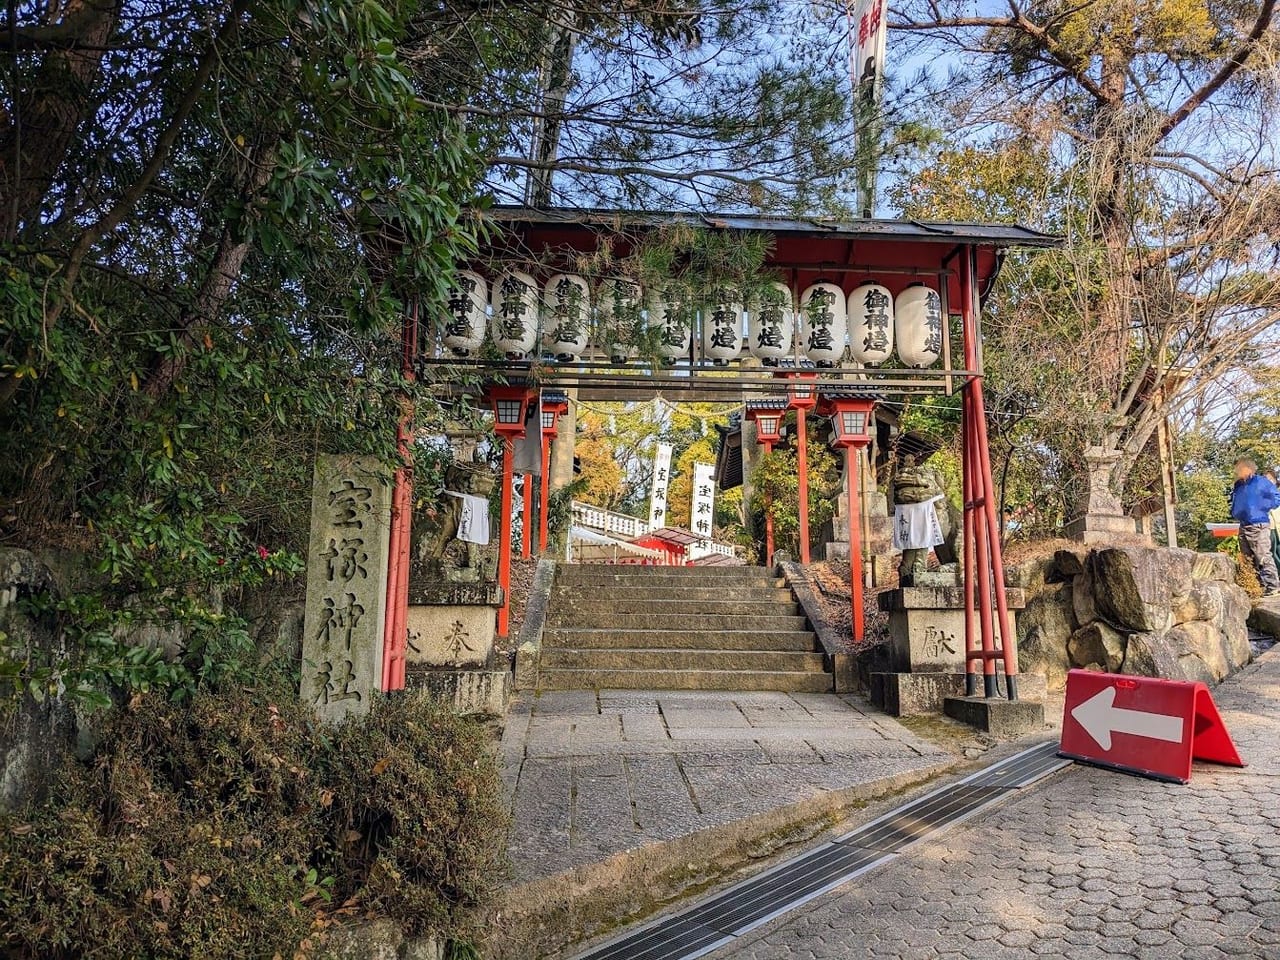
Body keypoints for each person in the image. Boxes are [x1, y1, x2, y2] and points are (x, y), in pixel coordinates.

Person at [1230, 458, 1280, 597]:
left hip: (1258, 523)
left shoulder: (1261, 482)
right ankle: (1256, 586)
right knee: (1247, 557)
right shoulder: (1238, 485)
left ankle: (1272, 585)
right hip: (1243, 522)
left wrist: (1260, 508)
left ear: (1248, 468)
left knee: (1262, 555)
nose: (1237, 471)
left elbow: (1276, 498)